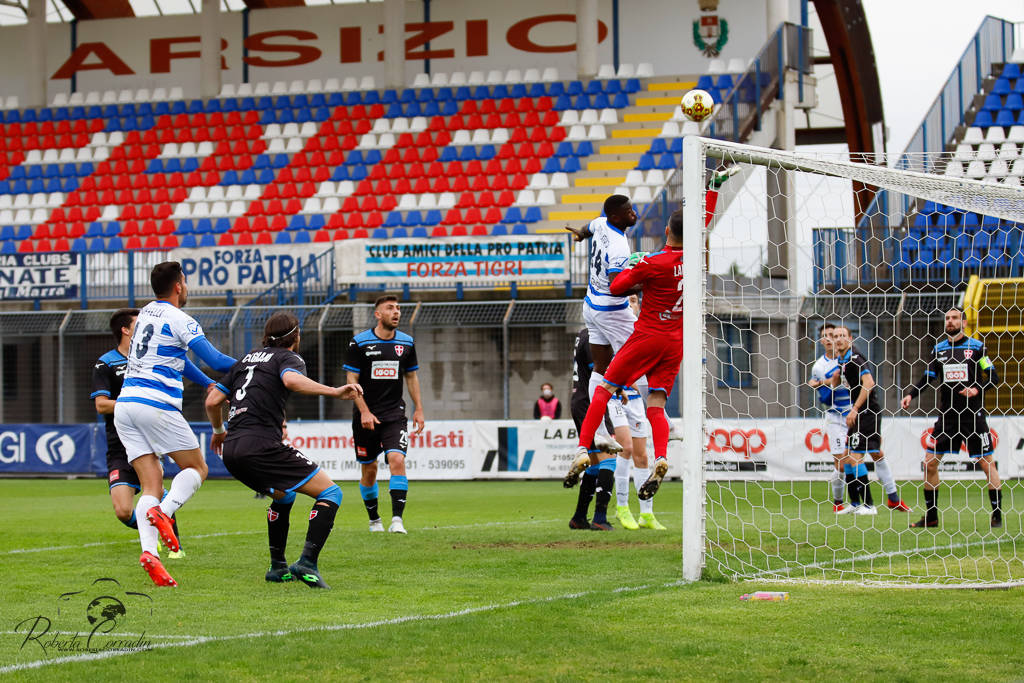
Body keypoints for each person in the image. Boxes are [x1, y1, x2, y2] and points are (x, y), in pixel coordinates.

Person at [205, 312, 362, 588]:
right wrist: (334, 391)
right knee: (331, 492)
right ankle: (307, 563)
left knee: (284, 495)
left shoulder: (245, 359)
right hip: (262, 445)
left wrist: (219, 432)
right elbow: (291, 380)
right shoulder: (287, 357)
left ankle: (277, 567)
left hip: (232, 450)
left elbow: (213, 401)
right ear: (296, 335)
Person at [114, 261, 237, 587]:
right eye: (185, 280)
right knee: (197, 468)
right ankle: (164, 513)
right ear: (179, 285)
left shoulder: (144, 315)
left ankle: (149, 554)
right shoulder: (180, 319)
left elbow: (176, 359)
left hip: (125, 406)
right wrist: (253, 365)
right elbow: (215, 359)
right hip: (156, 405)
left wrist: (205, 382)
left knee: (151, 483)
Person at [564, 209, 687, 499]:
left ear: (666, 232)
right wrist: (713, 188)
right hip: (675, 341)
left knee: (605, 386)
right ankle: (662, 456)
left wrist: (635, 268)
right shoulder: (692, 258)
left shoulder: (652, 262)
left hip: (646, 335)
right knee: (656, 402)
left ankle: (583, 448)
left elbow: (618, 286)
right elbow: (700, 223)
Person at [92, 308, 202, 558]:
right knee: (122, 511)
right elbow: (101, 405)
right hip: (119, 446)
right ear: (126, 329)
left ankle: (165, 536)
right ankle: (159, 526)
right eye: (138, 323)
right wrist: (136, 403)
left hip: (147, 439)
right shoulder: (106, 363)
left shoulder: (148, 359)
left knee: (154, 491)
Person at [900, 308, 1003, 529]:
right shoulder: (939, 350)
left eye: (955, 318)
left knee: (987, 464)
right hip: (947, 417)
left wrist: (977, 389)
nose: (950, 321)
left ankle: (997, 515)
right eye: (947, 318)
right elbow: (928, 378)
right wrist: (910, 394)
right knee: (929, 464)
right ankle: (932, 516)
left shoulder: (977, 348)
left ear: (963, 322)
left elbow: (993, 377)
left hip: (972, 416)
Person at [344, 295, 425, 534]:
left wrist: (419, 408)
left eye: (398, 308)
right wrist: (365, 411)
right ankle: (374, 520)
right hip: (365, 415)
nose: (396, 312)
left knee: (397, 460)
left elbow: (411, 377)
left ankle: (397, 521)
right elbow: (351, 380)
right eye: (390, 308)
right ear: (378, 314)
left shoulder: (407, 343)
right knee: (369, 469)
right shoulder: (359, 343)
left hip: (394, 413)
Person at [832, 326, 909, 514]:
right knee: (851, 457)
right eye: (836, 336)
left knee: (855, 457)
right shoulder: (842, 360)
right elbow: (838, 382)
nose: (839, 339)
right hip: (860, 413)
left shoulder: (855, 358)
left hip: (867, 412)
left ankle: (869, 505)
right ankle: (861, 503)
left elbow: (870, 383)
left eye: (843, 336)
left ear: (850, 339)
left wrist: (855, 409)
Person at [568, 326, 624, 530]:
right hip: (590, 403)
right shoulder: (593, 335)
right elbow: (598, 371)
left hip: (582, 401)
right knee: (609, 458)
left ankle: (579, 517)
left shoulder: (584, 333)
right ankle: (600, 518)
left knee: (594, 463)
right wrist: (618, 385)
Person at [807, 322, 854, 513]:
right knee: (841, 461)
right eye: (825, 336)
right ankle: (838, 502)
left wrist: (824, 382)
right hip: (835, 415)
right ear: (821, 340)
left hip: (854, 413)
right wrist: (830, 384)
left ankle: (868, 501)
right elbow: (825, 398)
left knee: (856, 458)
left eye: (832, 335)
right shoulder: (818, 367)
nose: (829, 339)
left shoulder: (850, 359)